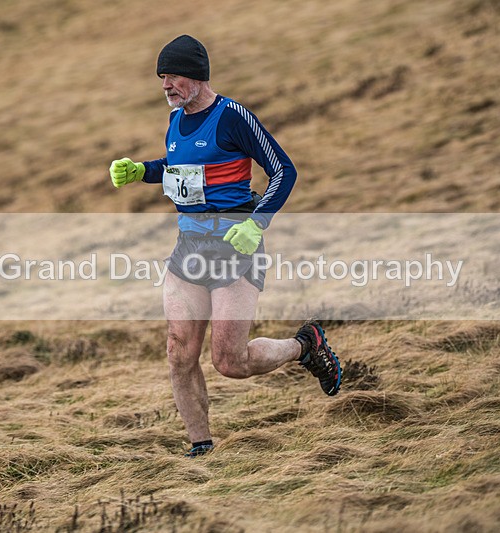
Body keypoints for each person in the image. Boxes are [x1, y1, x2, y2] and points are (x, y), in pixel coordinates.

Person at [109, 35, 342, 457]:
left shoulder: (233, 116)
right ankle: (202, 447)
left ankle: (306, 345)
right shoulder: (176, 119)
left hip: (235, 250)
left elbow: (284, 172)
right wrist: (141, 170)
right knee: (179, 353)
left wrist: (258, 224)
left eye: (173, 76)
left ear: (197, 77)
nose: (166, 86)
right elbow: (179, 168)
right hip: (188, 250)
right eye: (162, 78)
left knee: (230, 362)